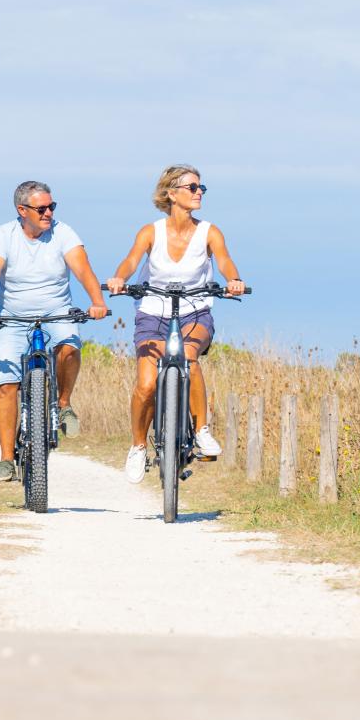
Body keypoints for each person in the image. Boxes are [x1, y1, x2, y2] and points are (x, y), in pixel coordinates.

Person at [105, 165, 245, 484]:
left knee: (190, 358)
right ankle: (139, 446)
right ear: (171, 194)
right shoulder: (150, 231)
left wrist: (233, 280)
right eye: (192, 187)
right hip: (153, 312)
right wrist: (120, 279)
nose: (198, 193)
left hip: (195, 312)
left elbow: (223, 260)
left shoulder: (209, 231)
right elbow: (131, 260)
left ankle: (201, 430)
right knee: (146, 385)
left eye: (200, 188)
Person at [0, 180, 108, 481]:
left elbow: (84, 270)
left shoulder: (63, 233)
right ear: (22, 210)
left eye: (51, 207)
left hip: (57, 313)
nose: (48, 213)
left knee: (69, 347)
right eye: (41, 208)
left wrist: (97, 302)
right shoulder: (4, 235)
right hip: (13, 318)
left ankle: (64, 403)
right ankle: (7, 459)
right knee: (6, 384)